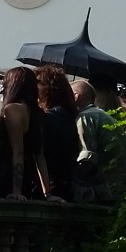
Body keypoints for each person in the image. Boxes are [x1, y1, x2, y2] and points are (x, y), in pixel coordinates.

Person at [0, 66, 56, 201]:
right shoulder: (38, 113)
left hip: (3, 179)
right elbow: (39, 155)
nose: (2, 89)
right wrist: (47, 193)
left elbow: (18, 152)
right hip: (27, 181)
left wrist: (16, 191)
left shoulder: (13, 109)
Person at [71, 79, 126, 204]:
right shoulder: (104, 116)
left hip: (110, 195)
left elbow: (87, 159)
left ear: (76, 96)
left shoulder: (86, 117)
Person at [35, 65, 81, 202]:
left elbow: (47, 154)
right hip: (67, 185)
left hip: (54, 187)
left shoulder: (51, 117)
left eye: (38, 83)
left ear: (48, 88)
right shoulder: (67, 115)